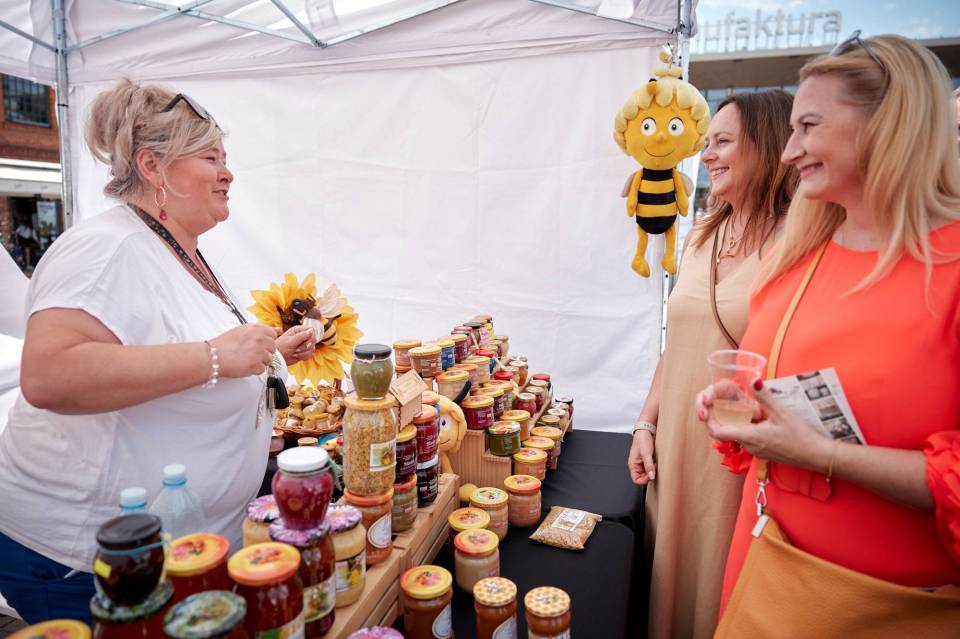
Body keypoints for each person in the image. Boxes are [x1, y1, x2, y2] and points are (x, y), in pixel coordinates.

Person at [0, 80, 317, 623]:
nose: (228, 173)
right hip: (93, 562)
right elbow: (50, 374)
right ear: (153, 166)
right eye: (210, 158)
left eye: (225, 159)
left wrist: (273, 354)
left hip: (177, 552)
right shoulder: (106, 248)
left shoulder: (175, 250)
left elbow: (175, 350)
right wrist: (214, 356)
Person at [697, 34, 960, 631]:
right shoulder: (795, 257)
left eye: (808, 127)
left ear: (889, 124)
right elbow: (771, 394)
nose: (790, 152)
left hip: (885, 605)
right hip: (766, 569)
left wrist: (824, 456)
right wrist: (742, 411)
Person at [628, 90, 796, 639]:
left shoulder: (798, 243)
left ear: (766, 147)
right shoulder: (701, 233)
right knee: (665, 590)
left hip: (734, 458)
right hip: (673, 447)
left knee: (717, 588)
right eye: (707, 143)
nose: (707, 155)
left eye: (722, 142)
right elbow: (676, 344)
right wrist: (645, 424)